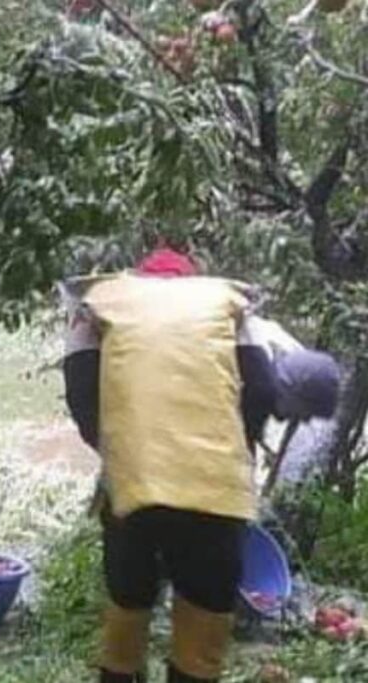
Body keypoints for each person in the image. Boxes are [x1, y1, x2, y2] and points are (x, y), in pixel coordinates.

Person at [60, 247, 341, 683]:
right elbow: (260, 390)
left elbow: (82, 395)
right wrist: (231, 453)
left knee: (128, 603)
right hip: (212, 484)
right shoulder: (227, 308)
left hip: (133, 484)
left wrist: (120, 452)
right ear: (191, 282)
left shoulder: (97, 306)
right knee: (204, 614)